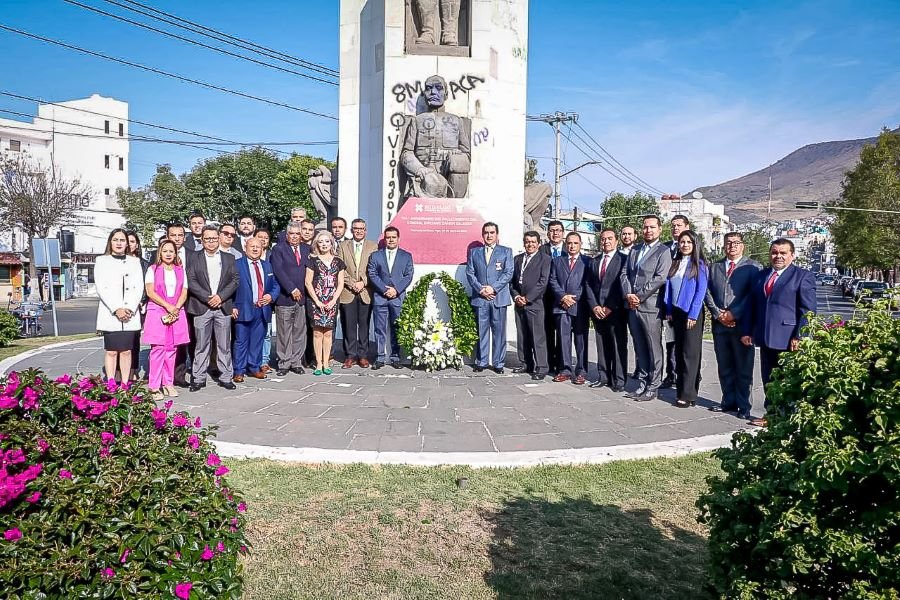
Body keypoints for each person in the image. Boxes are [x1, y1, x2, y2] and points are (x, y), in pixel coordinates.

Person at [741, 239, 817, 427]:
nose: (778, 256)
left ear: (792, 255)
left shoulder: (802, 276)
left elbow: (808, 310)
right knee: (769, 378)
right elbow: (752, 306)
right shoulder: (762, 276)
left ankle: (788, 416)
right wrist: (748, 331)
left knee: (788, 380)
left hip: (789, 338)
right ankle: (772, 414)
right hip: (766, 337)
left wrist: (800, 335)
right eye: (775, 252)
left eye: (783, 253)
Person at [704, 232, 762, 419]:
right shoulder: (714, 267)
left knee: (743, 368)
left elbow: (752, 295)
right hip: (719, 325)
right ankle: (728, 402)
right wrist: (717, 313)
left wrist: (733, 313)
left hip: (742, 326)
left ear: (743, 246)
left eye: (736, 243)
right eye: (729, 243)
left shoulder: (753, 268)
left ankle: (744, 406)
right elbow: (707, 292)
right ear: (724, 246)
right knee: (725, 366)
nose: (732, 246)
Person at [620, 215, 673, 401]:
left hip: (650, 306)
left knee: (653, 347)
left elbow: (660, 278)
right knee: (639, 346)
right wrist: (628, 294)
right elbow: (625, 273)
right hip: (632, 306)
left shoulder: (663, 251)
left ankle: (653, 385)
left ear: (659, 229)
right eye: (645, 227)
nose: (648, 230)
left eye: (652, 227)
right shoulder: (635, 250)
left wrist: (639, 296)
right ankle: (642, 382)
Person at [185, 225, 239, 391]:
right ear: (202, 239)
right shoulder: (194, 258)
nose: (211, 241)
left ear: (219, 238)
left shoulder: (228, 258)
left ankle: (226, 377)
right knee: (201, 345)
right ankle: (199, 378)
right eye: (207, 238)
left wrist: (220, 297)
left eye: (214, 238)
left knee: (224, 345)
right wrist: (207, 297)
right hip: (202, 307)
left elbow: (235, 280)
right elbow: (191, 280)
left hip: (223, 307)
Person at [663, 230, 709, 408]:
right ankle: (681, 390)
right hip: (675, 313)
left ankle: (689, 394)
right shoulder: (675, 263)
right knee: (679, 352)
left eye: (688, 242)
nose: (685, 245)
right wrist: (668, 309)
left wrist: (693, 314)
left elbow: (700, 292)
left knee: (690, 354)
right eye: (682, 242)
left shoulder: (700, 265)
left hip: (691, 314)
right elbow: (669, 288)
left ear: (695, 244)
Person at [94, 228, 144, 385]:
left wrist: (128, 308)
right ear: (110, 241)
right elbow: (102, 287)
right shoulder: (102, 261)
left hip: (130, 314)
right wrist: (117, 308)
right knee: (111, 351)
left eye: (122, 240)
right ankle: (110, 382)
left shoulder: (134, 262)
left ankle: (124, 383)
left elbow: (138, 286)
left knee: (127, 351)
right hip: (111, 313)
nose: (119, 243)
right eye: (116, 240)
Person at [142, 240, 189, 400]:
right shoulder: (152, 270)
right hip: (158, 311)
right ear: (160, 253)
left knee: (172, 349)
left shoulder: (181, 270)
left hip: (176, 311)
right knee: (157, 350)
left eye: (171, 251)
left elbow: (184, 291)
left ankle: (168, 383)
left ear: (175, 253)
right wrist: (168, 306)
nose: (168, 254)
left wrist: (176, 307)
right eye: (165, 251)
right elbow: (150, 291)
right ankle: (154, 386)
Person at [465, 222, 513, 373]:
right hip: (481, 298)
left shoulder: (506, 252)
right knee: (481, 331)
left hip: (498, 297)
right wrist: (481, 289)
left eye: (492, 232)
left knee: (499, 332)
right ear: (482, 234)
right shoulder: (475, 252)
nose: (489, 235)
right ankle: (482, 361)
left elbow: (508, 273)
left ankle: (498, 363)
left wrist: (493, 288)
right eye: (486, 232)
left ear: (497, 235)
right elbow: (470, 273)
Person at [585, 228, 628, 392]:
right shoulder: (594, 261)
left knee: (618, 345)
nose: (606, 241)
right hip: (597, 311)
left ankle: (619, 379)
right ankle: (603, 376)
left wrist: (610, 306)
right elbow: (588, 284)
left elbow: (621, 286)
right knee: (602, 344)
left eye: (610, 238)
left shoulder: (624, 260)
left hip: (615, 310)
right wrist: (594, 305)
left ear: (616, 241)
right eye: (603, 239)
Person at [231, 237, 279, 383]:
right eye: (252, 246)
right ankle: (239, 370)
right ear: (245, 248)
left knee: (257, 341)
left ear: (262, 249)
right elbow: (229, 285)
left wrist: (271, 296)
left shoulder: (267, 266)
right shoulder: (237, 264)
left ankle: (254, 367)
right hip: (243, 308)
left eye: (258, 247)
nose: (255, 249)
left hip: (262, 309)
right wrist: (231, 306)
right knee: (241, 341)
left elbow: (276, 285)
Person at [368, 226, 414, 369]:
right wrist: (384, 289)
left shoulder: (406, 256)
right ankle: (380, 357)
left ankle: (395, 357)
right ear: (385, 239)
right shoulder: (376, 255)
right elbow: (372, 273)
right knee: (379, 329)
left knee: (397, 328)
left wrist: (396, 290)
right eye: (388, 237)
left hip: (397, 297)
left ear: (398, 239)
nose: (391, 240)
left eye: (394, 237)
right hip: (380, 297)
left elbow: (408, 275)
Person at [550, 232, 590, 385]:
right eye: (569, 243)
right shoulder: (557, 261)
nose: (572, 246)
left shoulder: (587, 261)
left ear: (580, 244)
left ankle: (581, 371)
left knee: (581, 341)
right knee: (563, 339)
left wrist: (574, 298)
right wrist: (563, 296)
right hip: (561, 306)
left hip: (579, 307)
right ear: (565, 245)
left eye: (575, 243)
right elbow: (552, 280)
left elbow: (587, 283)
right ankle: (565, 370)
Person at [336, 219, 378, 368]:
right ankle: (350, 355)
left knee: (364, 325)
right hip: (348, 291)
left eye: (361, 228)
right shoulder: (342, 246)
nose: (359, 231)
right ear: (351, 230)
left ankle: (363, 355)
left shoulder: (373, 246)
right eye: (356, 228)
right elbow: (339, 267)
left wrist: (363, 282)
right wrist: (351, 283)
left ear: (365, 231)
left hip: (365, 291)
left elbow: (374, 269)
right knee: (349, 325)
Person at [270, 222, 309, 376]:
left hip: (302, 298)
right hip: (285, 297)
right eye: (291, 233)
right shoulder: (278, 249)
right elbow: (278, 271)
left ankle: (296, 362)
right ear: (287, 235)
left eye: (297, 234)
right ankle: (284, 363)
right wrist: (291, 289)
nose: (294, 236)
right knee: (284, 332)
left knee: (299, 331)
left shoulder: (307, 249)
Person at [511, 231, 551, 380]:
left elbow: (543, 282)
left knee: (537, 336)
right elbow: (512, 282)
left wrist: (527, 298)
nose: (530, 244)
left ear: (538, 244)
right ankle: (525, 363)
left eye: (533, 242)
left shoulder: (545, 259)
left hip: (535, 303)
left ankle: (541, 367)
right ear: (524, 243)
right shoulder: (517, 259)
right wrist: (516, 296)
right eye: (528, 241)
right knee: (522, 335)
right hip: (519, 303)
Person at [305, 231, 346, 376]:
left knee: (328, 333)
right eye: (321, 241)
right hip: (316, 302)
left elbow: (340, 283)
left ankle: (327, 362)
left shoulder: (338, 262)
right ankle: (318, 363)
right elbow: (308, 282)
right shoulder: (312, 261)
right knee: (317, 333)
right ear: (316, 244)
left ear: (331, 243)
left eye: (326, 241)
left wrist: (333, 300)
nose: (324, 244)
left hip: (332, 301)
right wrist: (317, 301)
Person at [661, 215, 690, 389]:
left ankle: (688, 375)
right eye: (673, 225)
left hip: (684, 305)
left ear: (687, 226)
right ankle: (670, 374)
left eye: (679, 225)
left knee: (686, 343)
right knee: (669, 341)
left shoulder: (693, 249)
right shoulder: (664, 248)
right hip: (666, 303)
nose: (675, 228)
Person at [541, 220, 566, 375]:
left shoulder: (568, 249)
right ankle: (550, 363)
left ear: (562, 233)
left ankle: (563, 364)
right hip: (545, 298)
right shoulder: (542, 250)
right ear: (548, 233)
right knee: (548, 332)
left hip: (563, 299)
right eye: (551, 230)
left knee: (563, 334)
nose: (555, 233)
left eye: (558, 230)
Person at [126, 230, 150, 381]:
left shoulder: (144, 264)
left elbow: (147, 285)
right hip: (122, 306)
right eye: (127, 241)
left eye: (133, 241)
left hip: (139, 305)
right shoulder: (116, 262)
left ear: (137, 244)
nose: (129, 244)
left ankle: (133, 369)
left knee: (135, 339)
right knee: (123, 340)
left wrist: (143, 300)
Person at [254, 227, 274, 370]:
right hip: (251, 302)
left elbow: (276, 280)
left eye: (265, 238)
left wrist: (271, 296)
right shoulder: (246, 256)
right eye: (259, 237)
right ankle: (253, 360)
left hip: (267, 302)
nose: (262, 240)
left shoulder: (272, 256)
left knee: (266, 332)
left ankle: (264, 360)